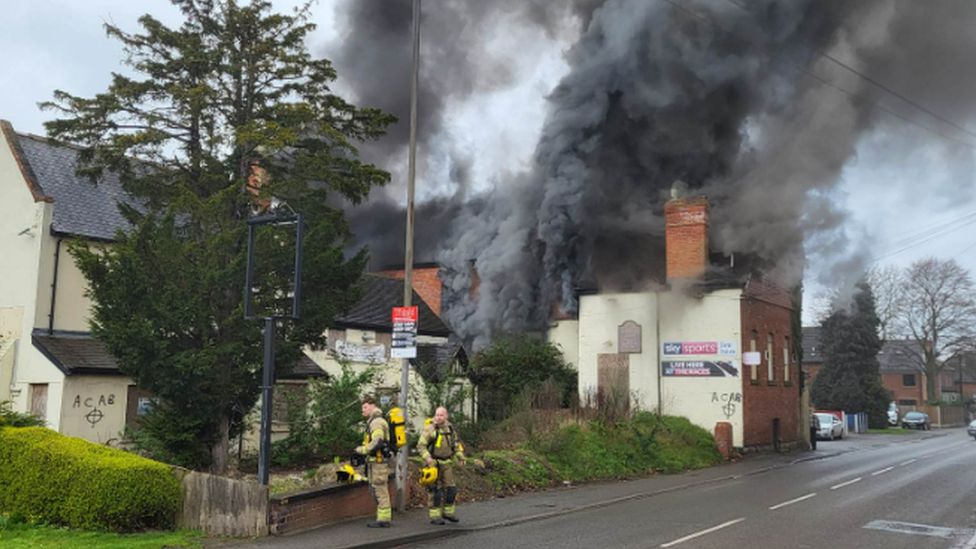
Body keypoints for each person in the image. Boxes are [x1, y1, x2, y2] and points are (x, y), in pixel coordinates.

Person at [417, 406, 465, 525]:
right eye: (437, 415)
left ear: (446, 416)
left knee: (451, 489)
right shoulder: (430, 429)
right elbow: (421, 446)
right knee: (435, 491)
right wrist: (428, 458)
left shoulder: (450, 429)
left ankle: (448, 513)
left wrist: (460, 456)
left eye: (441, 415)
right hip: (433, 463)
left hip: (447, 463)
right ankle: (435, 516)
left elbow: (455, 444)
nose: (438, 417)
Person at [354, 395, 392, 528]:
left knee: (380, 489)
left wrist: (362, 450)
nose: (362, 410)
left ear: (372, 406)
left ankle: (384, 520)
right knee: (376, 489)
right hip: (375, 462)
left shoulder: (376, 422)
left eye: (365, 407)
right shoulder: (373, 421)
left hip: (378, 463)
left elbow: (377, 441)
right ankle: (381, 517)